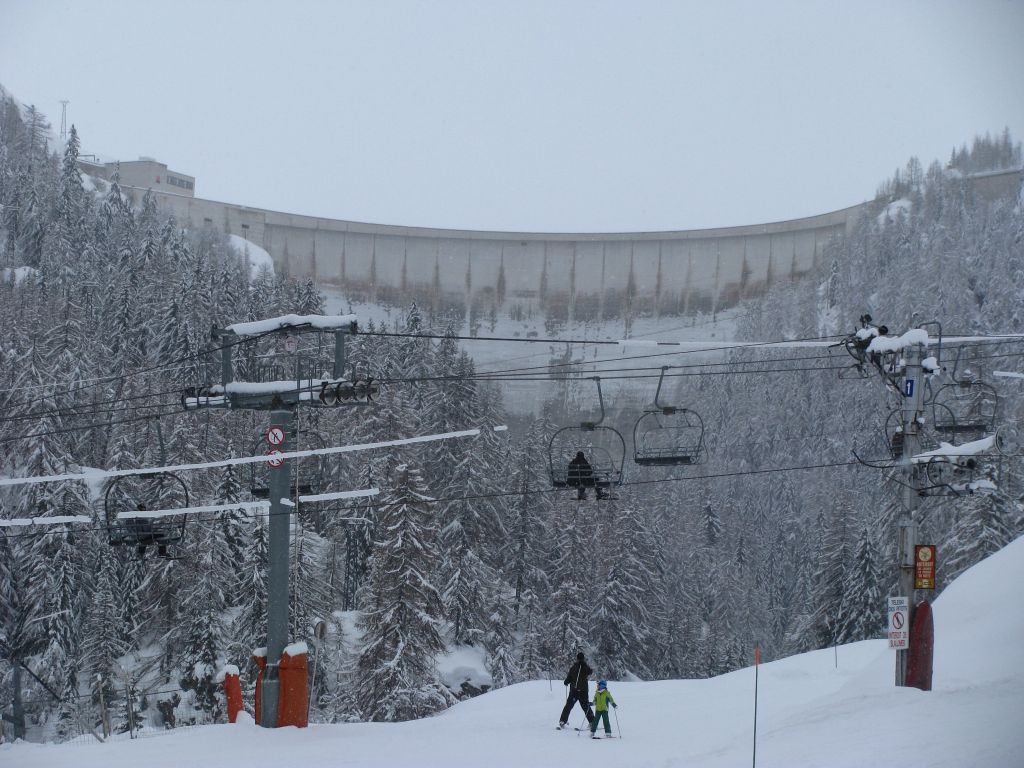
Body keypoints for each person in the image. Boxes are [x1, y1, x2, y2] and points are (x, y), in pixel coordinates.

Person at [557, 652, 594, 729]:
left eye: (580, 659)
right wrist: (566, 681)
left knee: (585, 706)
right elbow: (570, 676)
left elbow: (590, 672)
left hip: (583, 691)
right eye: (579, 659)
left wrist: (584, 665)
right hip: (574, 691)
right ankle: (562, 721)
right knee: (568, 706)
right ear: (577, 659)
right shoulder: (573, 667)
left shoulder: (584, 667)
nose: (579, 660)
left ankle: (592, 722)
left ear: (582, 659)